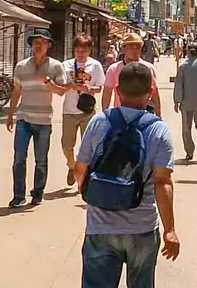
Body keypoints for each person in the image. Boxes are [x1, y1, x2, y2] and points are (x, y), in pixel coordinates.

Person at [75, 62, 179, 288]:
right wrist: (170, 230)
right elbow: (162, 182)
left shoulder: (99, 121)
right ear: (150, 92)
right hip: (141, 227)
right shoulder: (159, 130)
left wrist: (99, 196)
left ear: (118, 92)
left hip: (100, 227)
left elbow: (80, 169)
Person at [7, 28, 67, 208]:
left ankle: (37, 192)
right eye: (36, 42)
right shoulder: (21, 66)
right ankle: (18, 195)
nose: (39, 45)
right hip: (23, 118)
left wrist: (48, 81)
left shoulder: (56, 66)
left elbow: (61, 91)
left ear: (48, 45)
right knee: (19, 158)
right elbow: (16, 91)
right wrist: (10, 115)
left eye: (43, 42)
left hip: (43, 120)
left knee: (41, 160)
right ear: (31, 45)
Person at [61, 34, 106, 187]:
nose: (81, 54)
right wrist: (70, 86)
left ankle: (85, 176)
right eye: (78, 51)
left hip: (88, 111)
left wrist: (89, 88)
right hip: (69, 110)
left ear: (89, 50)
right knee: (66, 145)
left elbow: (100, 87)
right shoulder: (65, 65)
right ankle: (72, 166)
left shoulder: (95, 65)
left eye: (84, 51)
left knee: (87, 146)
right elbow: (59, 86)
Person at [103, 32, 162, 116]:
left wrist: (159, 115)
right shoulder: (114, 69)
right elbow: (107, 93)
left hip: (144, 115)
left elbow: (155, 94)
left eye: (138, 47)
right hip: (121, 115)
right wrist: (106, 115)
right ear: (124, 49)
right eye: (131, 47)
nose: (135, 50)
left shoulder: (149, 68)